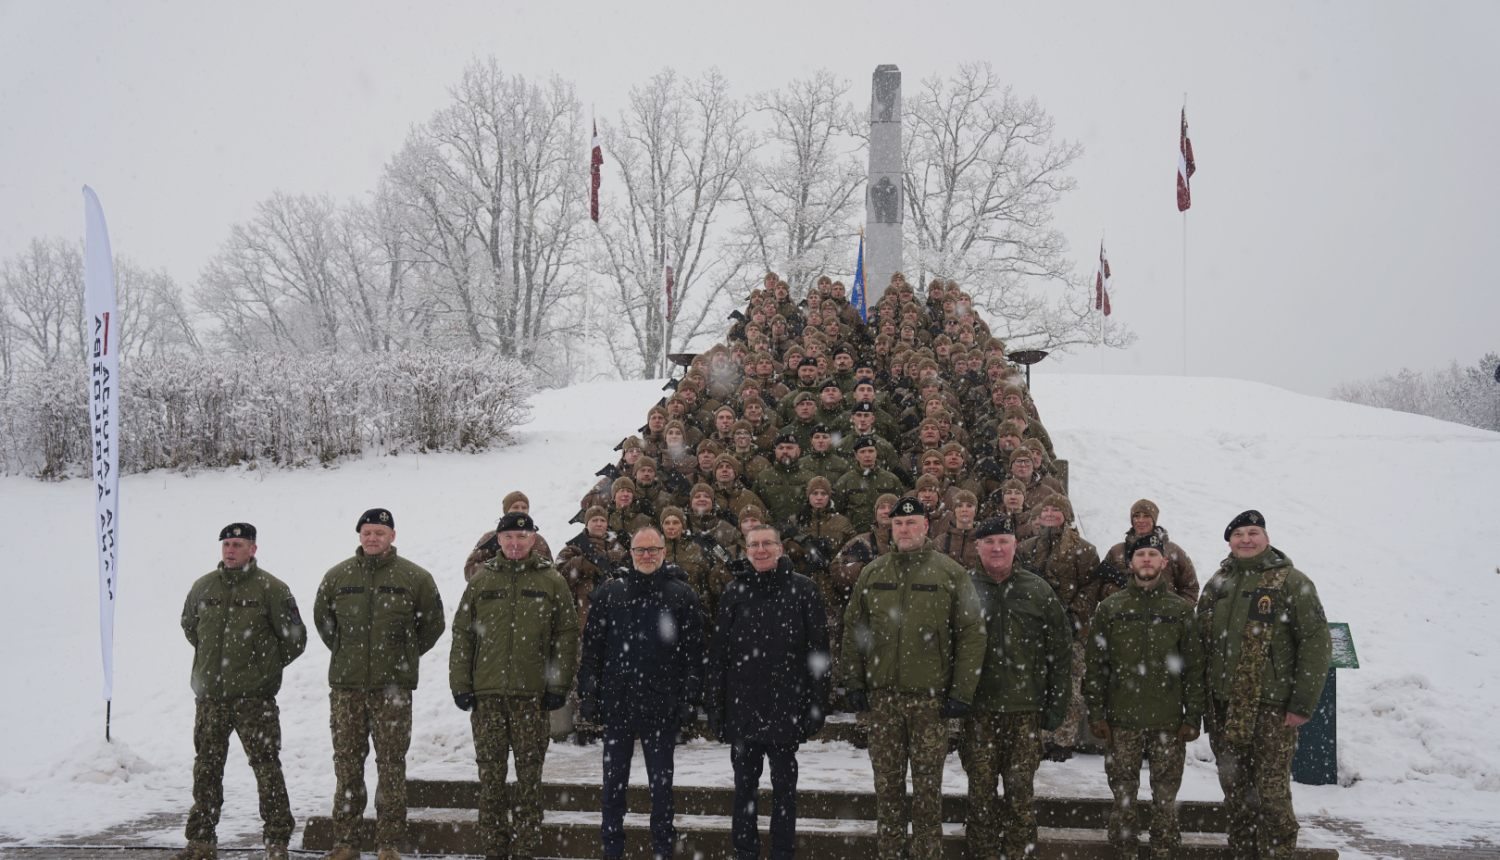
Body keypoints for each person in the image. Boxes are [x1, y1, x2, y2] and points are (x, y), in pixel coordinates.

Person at [842, 497, 987, 860]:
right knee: (887, 787)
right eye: (898, 525)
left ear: (925, 527)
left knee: (927, 790)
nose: (904, 530)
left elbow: (972, 633)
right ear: (891, 528)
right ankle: (889, 852)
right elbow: (853, 630)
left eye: (911, 523)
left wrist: (961, 692)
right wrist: (856, 683)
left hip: (930, 702)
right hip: (883, 701)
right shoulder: (873, 572)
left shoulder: (949, 573)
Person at [1198, 511, 1332, 859]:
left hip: (1270, 708)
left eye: (1253, 532)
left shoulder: (1292, 582)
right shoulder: (1218, 582)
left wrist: (1301, 704)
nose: (1245, 539)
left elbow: (1316, 643)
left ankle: (1278, 853)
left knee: (1271, 794)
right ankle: (1243, 852)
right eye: (1238, 533)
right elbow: (1201, 642)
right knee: (1235, 789)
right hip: (1224, 708)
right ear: (1229, 541)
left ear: (1266, 539)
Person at [313, 509, 445, 860]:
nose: (373, 538)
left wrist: (403, 654)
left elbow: (432, 625)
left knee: (391, 764)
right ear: (359, 536)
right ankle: (346, 842)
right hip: (347, 688)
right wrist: (348, 653)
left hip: (393, 689)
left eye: (380, 532)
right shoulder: (338, 576)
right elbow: (324, 621)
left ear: (393, 536)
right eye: (367, 532)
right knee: (347, 765)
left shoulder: (415, 577)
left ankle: (388, 842)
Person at [449, 512, 579, 860]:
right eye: (508, 537)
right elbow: (463, 634)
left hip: (531, 698)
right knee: (490, 779)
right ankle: (494, 847)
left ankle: (525, 848)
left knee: (528, 779)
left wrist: (558, 685)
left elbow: (565, 638)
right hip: (487, 697)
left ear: (533, 539)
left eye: (522, 537)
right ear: (499, 541)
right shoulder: (480, 582)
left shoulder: (552, 581)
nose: (515, 543)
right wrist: (461, 683)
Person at [173, 523, 307, 860]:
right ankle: (201, 841)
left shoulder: (271, 589)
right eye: (227, 544)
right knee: (206, 768)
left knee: (266, 767)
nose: (231, 550)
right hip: (210, 698)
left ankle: (277, 841)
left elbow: (294, 638)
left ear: (253, 549)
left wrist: (262, 670)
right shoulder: (203, 586)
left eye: (238, 544)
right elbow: (192, 627)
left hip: (254, 700)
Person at [577, 526, 707, 860]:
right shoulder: (610, 594)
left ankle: (663, 848)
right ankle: (612, 849)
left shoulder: (682, 594)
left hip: (661, 703)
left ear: (664, 552)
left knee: (661, 786)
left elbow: (694, 655)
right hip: (617, 702)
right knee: (613, 785)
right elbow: (592, 649)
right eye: (640, 550)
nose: (646, 556)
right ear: (630, 554)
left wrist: (690, 698)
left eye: (653, 550)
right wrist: (588, 695)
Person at [706, 524, 831, 860]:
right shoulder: (734, 592)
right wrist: (715, 707)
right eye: (754, 545)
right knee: (744, 790)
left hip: (786, 709)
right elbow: (719, 655)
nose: (760, 550)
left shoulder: (804, 590)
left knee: (784, 792)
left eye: (767, 544)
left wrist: (817, 704)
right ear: (746, 551)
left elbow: (818, 653)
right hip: (743, 709)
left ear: (780, 549)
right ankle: (745, 853)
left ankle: (781, 852)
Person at [1085, 532, 1205, 860]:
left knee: (1165, 801)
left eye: (1153, 555)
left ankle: (1163, 851)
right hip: (1121, 721)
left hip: (1168, 722)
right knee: (1123, 798)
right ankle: (1125, 852)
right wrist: (1096, 712)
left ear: (1164, 562)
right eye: (1141, 555)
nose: (1147, 560)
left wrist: (1193, 716)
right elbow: (1096, 665)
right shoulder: (1111, 608)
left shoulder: (1180, 610)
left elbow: (1194, 668)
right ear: (1130, 563)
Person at [959, 517, 1070, 860]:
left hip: (1025, 712)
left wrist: (1057, 703)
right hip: (978, 712)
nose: (996, 548)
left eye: (1003, 541)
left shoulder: (1037, 590)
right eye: (988, 541)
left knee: (1021, 797)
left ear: (1014, 545)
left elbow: (1060, 650)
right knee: (980, 797)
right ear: (977, 547)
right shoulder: (961, 588)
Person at [1016, 493, 1100, 762]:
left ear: (1067, 514)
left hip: (1071, 631)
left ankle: (1063, 740)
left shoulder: (1084, 550)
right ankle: (1039, 737)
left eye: (1056, 510)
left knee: (1070, 689)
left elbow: (1091, 587)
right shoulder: (1027, 547)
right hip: (1036, 629)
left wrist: (1073, 618)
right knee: (1037, 684)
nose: (1050, 514)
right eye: (1046, 510)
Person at [1098, 499, 1199, 603]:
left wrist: (1176, 612)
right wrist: (1120, 594)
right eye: (1136, 516)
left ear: (1154, 520)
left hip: (1163, 616)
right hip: (1124, 615)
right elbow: (1100, 587)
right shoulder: (1117, 551)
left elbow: (1190, 588)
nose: (1141, 520)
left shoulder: (1173, 551)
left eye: (1146, 516)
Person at [463, 490, 554, 581]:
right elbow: (469, 572)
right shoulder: (489, 538)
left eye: (524, 507)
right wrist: (497, 564)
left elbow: (552, 574)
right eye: (515, 507)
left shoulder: (539, 540)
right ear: (506, 511)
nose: (520, 510)